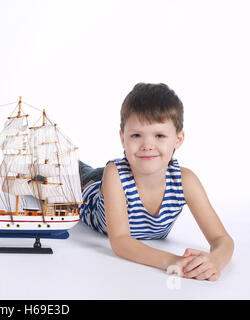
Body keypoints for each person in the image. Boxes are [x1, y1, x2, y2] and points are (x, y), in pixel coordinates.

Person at [79, 83, 234, 281]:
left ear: (178, 140)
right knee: (56, 176)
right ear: (123, 138)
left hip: (121, 175)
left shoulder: (185, 181)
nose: (147, 145)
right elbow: (120, 241)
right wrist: (175, 260)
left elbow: (222, 239)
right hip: (87, 189)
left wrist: (215, 261)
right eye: (136, 135)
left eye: (159, 135)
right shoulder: (115, 174)